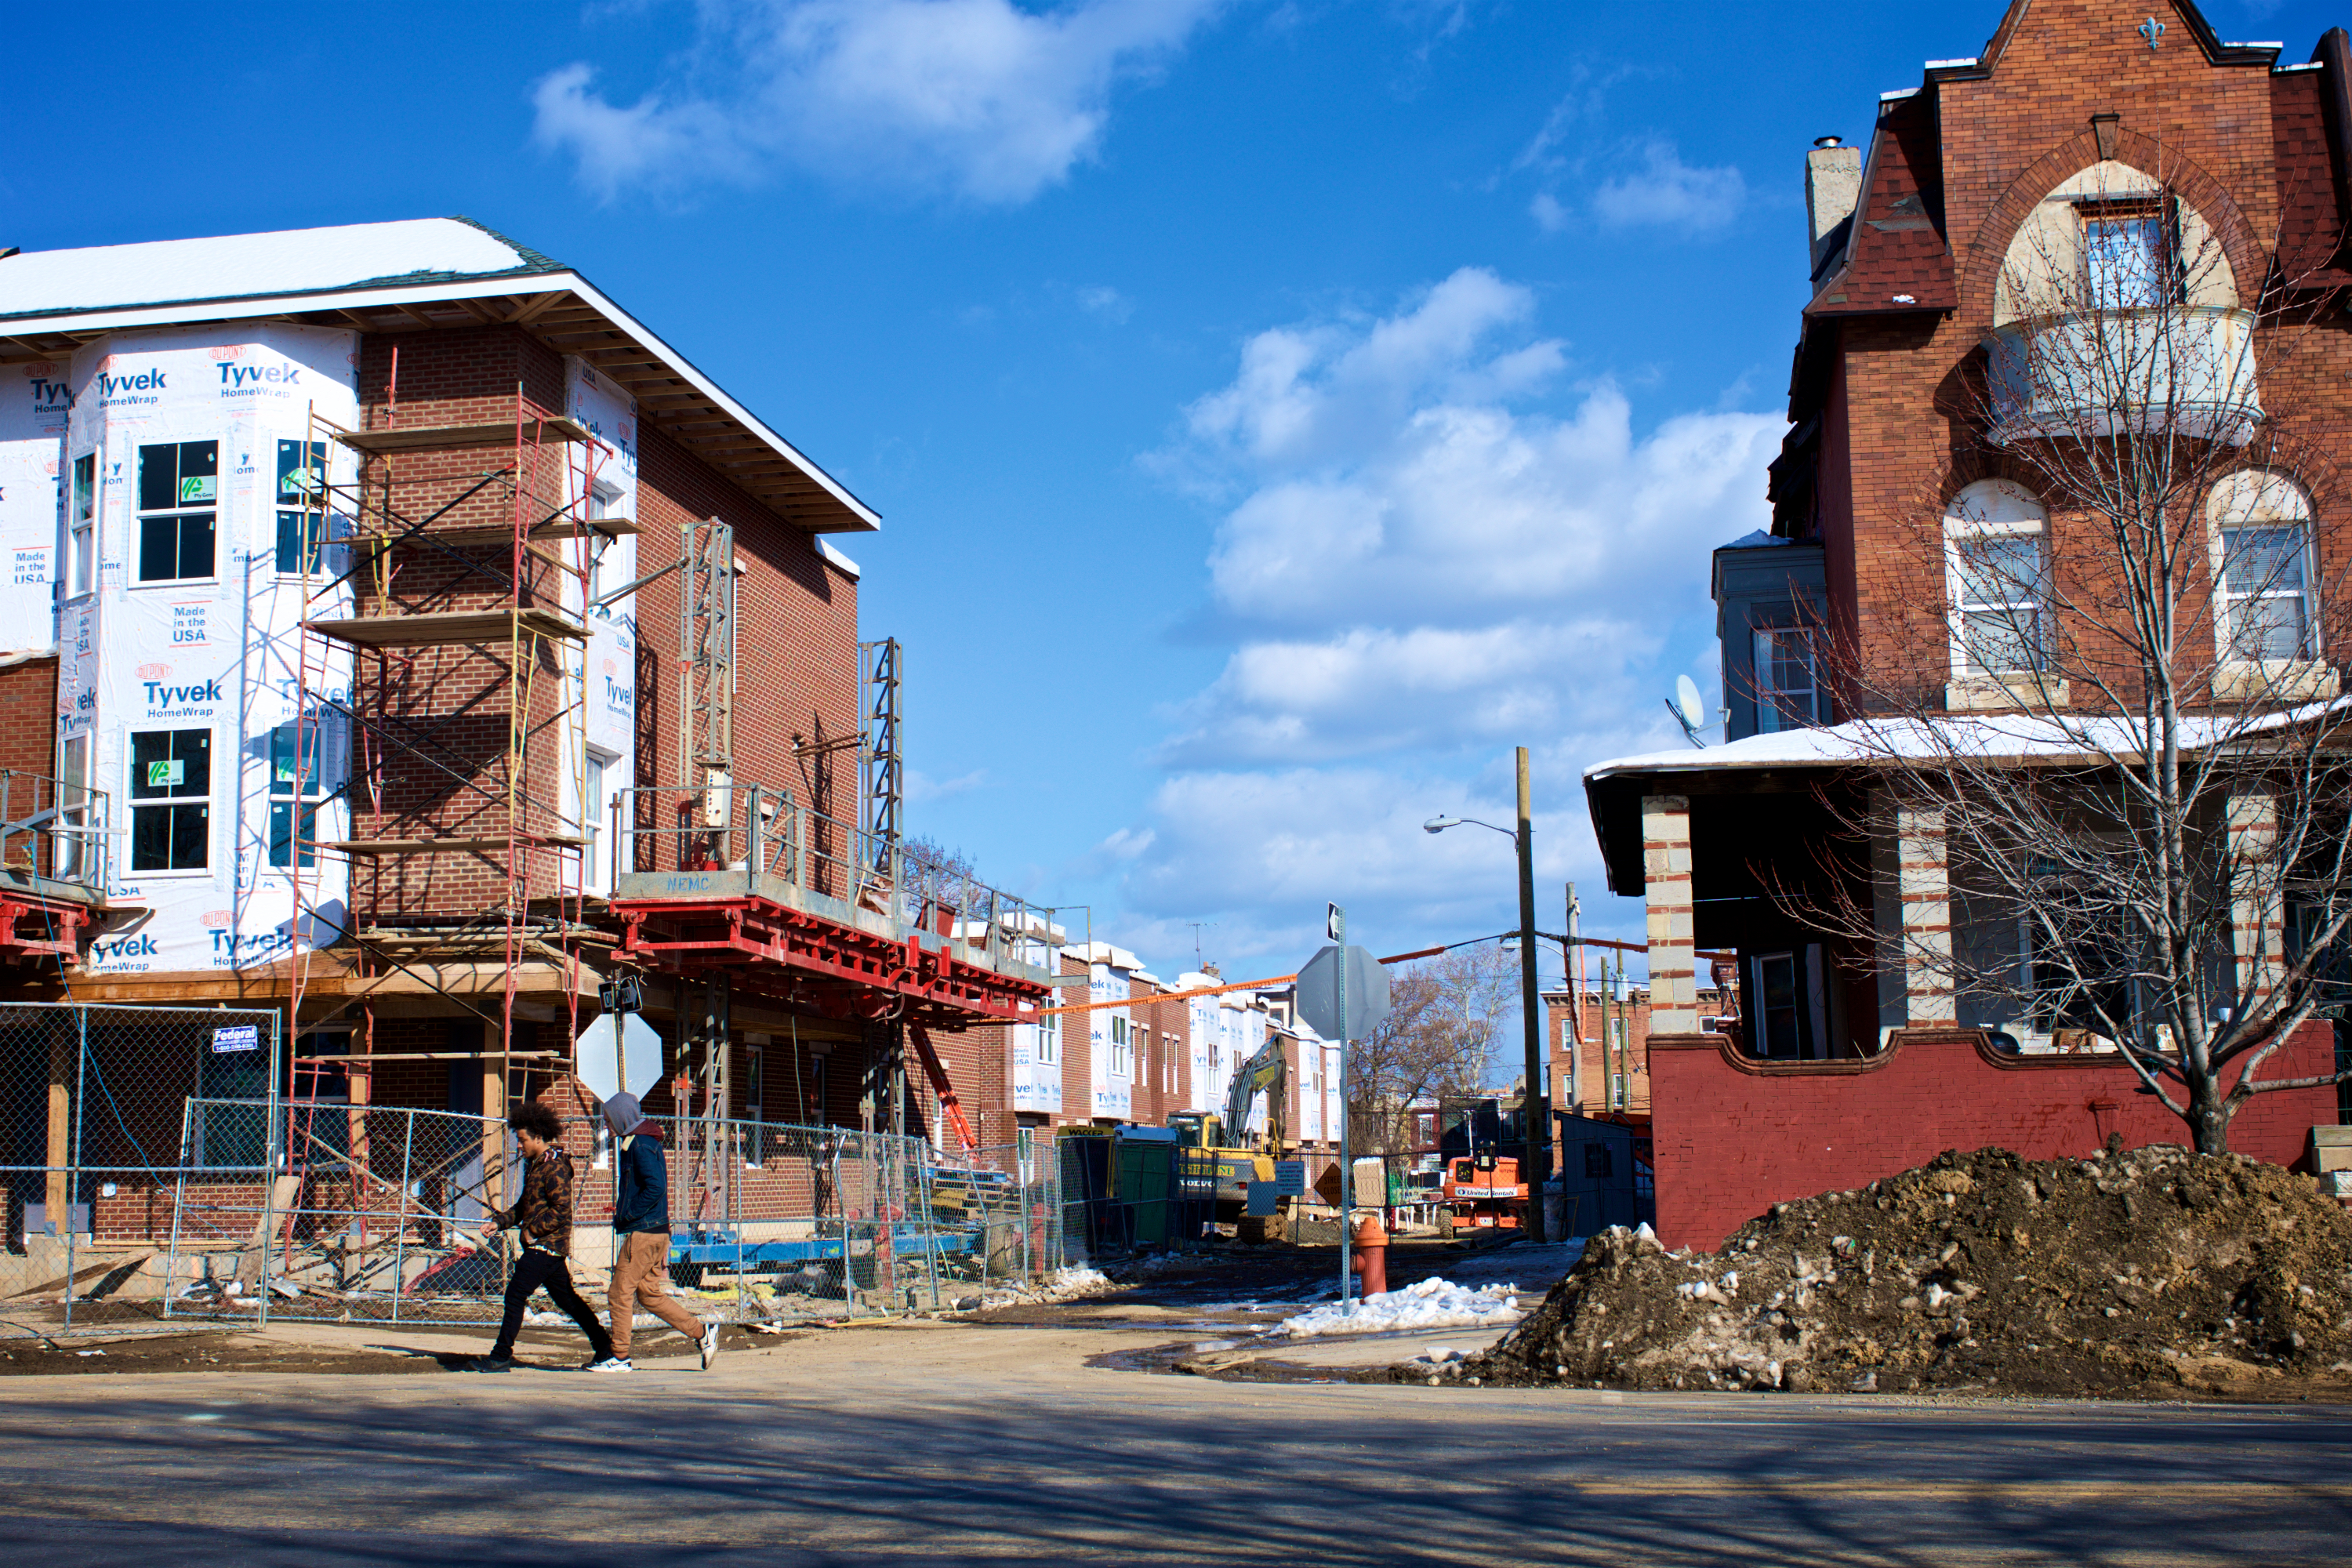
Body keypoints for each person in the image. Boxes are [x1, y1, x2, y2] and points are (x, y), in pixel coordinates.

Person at [476, 1098, 618, 1372]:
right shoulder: (536, 1164)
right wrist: (499, 1223)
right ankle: (604, 1348)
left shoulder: (555, 1167)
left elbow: (562, 1210)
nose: (519, 1145)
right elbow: (523, 1206)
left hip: (547, 1246)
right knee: (568, 1300)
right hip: (543, 1247)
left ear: (539, 1137)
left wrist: (531, 1232)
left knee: (515, 1295)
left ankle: (501, 1355)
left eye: (523, 1139)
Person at [601, 1091, 720, 1372]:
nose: (606, 1125)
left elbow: (655, 1187)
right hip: (655, 1232)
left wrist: (628, 1213)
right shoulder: (637, 1142)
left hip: (644, 1234)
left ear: (621, 1118)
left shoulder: (640, 1145)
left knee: (619, 1294)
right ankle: (703, 1333)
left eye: (608, 1120)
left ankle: (619, 1357)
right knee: (649, 1295)